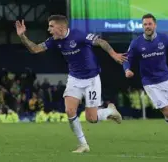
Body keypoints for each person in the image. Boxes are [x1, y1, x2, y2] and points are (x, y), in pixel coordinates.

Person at [15, 15, 127, 153]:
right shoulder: (54, 41)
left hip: (92, 79)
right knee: (69, 110)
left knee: (91, 118)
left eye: (51, 26)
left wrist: (114, 54)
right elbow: (35, 49)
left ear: (61, 27)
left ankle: (110, 110)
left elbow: (101, 42)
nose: (48, 29)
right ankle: (83, 144)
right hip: (74, 78)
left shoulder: (78, 35)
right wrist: (22, 36)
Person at [123, 13, 168, 145]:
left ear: (155, 25)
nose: (147, 26)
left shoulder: (164, 38)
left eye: (150, 24)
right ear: (142, 26)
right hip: (150, 83)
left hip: (166, 79)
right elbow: (126, 59)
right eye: (145, 24)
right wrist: (127, 69)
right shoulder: (136, 43)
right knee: (166, 111)